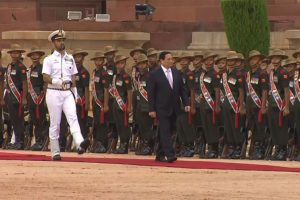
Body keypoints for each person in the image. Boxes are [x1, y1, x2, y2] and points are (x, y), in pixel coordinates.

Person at [42, 29, 89, 160]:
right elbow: (45, 77)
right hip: (53, 92)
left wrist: (75, 94)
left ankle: (80, 143)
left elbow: (73, 77)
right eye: (58, 40)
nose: (61, 42)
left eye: (62, 40)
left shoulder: (70, 58)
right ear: (53, 43)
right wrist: (57, 81)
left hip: (67, 92)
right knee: (55, 123)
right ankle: (55, 151)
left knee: (73, 118)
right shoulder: (49, 59)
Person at [148, 51, 190, 163]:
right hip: (161, 108)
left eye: (172, 59)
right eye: (168, 59)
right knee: (165, 130)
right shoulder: (154, 74)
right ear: (161, 61)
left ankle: (160, 154)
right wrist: (151, 109)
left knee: (169, 131)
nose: (171, 61)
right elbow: (151, 93)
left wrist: (186, 103)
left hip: (174, 107)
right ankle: (170, 154)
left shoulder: (177, 73)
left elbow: (182, 90)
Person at [221, 51, 246, 159]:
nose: (231, 62)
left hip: (235, 103)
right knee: (228, 127)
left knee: (236, 127)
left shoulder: (238, 74)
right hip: (226, 104)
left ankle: (238, 148)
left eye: (233, 60)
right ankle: (231, 146)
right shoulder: (225, 74)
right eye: (229, 60)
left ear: (235, 61)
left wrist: (241, 106)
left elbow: (241, 91)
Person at [267, 49, 289, 161]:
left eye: (277, 58)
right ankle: (277, 148)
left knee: (281, 128)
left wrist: (287, 107)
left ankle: (283, 151)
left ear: (281, 59)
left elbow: (286, 90)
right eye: (273, 58)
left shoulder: (283, 72)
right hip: (271, 104)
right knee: (273, 128)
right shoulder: (271, 73)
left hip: (280, 106)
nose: (275, 60)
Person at [245, 50, 268, 160]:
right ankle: (254, 148)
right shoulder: (248, 74)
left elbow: (264, 91)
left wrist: (263, 106)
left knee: (260, 128)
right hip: (249, 105)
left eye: (256, 59)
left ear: (259, 61)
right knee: (252, 127)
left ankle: (260, 149)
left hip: (258, 105)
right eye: (252, 59)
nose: (254, 61)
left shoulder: (262, 73)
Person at [198, 51, 221, 159]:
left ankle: (214, 150)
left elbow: (217, 90)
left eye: (211, 60)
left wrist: (216, 105)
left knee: (212, 127)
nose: (209, 62)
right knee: (206, 126)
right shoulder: (203, 74)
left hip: (211, 104)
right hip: (203, 104)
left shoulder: (215, 74)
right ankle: (209, 147)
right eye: (207, 60)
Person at [5, 44, 28, 150]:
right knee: (13, 120)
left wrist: (24, 98)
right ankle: (16, 141)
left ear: (19, 54)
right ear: (10, 54)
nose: (15, 55)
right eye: (13, 53)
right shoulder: (9, 66)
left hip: (18, 96)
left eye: (17, 53)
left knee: (19, 120)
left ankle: (21, 142)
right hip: (10, 97)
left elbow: (24, 83)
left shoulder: (21, 67)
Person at [26, 47, 48, 151]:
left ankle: (41, 141)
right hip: (31, 97)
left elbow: (45, 84)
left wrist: (46, 98)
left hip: (40, 97)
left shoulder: (43, 68)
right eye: (32, 55)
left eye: (37, 55)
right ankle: (37, 140)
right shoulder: (29, 69)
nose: (35, 57)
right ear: (30, 57)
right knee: (34, 120)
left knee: (41, 120)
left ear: (40, 56)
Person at [110, 55, 133, 154]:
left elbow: (129, 92)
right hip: (116, 104)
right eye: (118, 63)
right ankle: (121, 144)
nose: (120, 65)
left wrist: (129, 106)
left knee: (124, 126)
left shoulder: (126, 77)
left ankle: (124, 145)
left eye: (122, 63)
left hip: (123, 104)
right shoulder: (115, 76)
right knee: (118, 125)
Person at [176, 52, 196, 157]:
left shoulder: (190, 74)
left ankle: (190, 147)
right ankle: (183, 146)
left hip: (186, 104)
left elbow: (192, 91)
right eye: (181, 60)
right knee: (179, 126)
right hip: (177, 104)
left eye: (185, 60)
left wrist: (192, 106)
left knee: (187, 125)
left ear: (189, 62)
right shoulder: (178, 73)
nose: (183, 62)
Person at [135, 54, 155, 155]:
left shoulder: (150, 76)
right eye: (139, 64)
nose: (141, 66)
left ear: (146, 64)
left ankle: (148, 146)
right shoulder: (139, 76)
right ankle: (144, 144)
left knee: (147, 128)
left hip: (148, 107)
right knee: (142, 127)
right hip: (140, 106)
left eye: (142, 64)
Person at [90, 52, 110, 153]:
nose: (98, 62)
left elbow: (106, 90)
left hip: (102, 100)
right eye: (96, 60)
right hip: (95, 100)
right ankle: (97, 142)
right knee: (97, 122)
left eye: (100, 60)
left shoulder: (104, 73)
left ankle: (102, 144)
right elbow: (92, 88)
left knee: (102, 123)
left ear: (103, 61)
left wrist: (106, 104)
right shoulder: (94, 72)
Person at [72, 48, 90, 139]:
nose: (77, 60)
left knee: (81, 123)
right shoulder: (71, 71)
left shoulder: (84, 72)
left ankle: (83, 141)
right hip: (71, 100)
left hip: (81, 101)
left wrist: (87, 103)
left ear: (82, 58)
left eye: (79, 57)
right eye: (75, 57)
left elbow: (86, 89)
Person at [191, 51, 205, 156]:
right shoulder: (191, 74)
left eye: (198, 60)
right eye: (195, 60)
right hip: (193, 102)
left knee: (201, 125)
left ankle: (202, 145)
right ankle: (196, 144)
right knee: (194, 125)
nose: (196, 62)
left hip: (202, 102)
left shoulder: (204, 74)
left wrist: (199, 97)